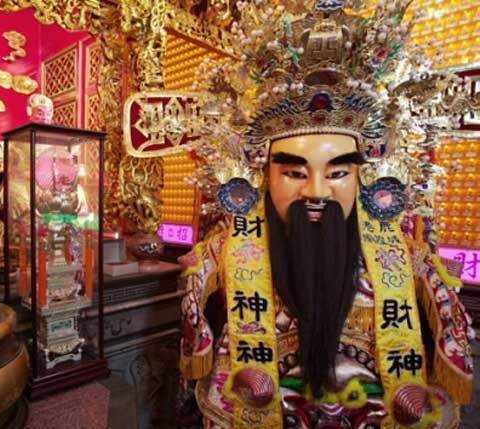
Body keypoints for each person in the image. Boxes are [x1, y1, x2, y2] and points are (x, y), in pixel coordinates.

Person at [178, 2, 475, 428]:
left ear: (362, 177)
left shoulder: (407, 259)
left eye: (337, 173)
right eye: (294, 173)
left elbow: (451, 336)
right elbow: (195, 333)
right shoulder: (225, 251)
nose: (316, 191)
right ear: (263, 176)